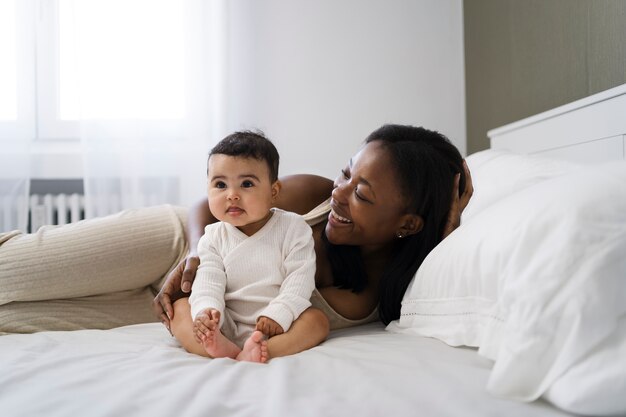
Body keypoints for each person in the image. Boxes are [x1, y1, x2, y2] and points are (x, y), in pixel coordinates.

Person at [155, 124, 473, 359]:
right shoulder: (315, 194)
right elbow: (204, 206)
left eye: (361, 193)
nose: (338, 193)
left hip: (201, 319)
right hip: (180, 240)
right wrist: (194, 254)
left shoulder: (369, 295)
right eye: (345, 174)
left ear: (407, 224)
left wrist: (447, 241)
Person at [174, 131, 320, 363]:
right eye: (220, 184)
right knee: (180, 308)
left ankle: (265, 350)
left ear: (273, 192)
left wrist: (278, 314)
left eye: (247, 184)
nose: (232, 195)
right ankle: (218, 347)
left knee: (316, 321)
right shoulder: (213, 236)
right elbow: (209, 280)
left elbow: (300, 280)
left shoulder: (293, 227)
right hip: (225, 321)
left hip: (276, 325)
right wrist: (207, 311)